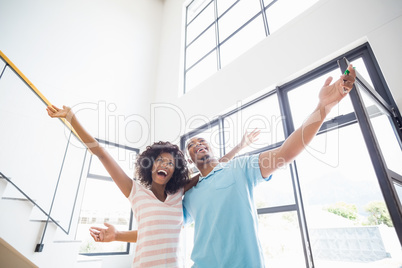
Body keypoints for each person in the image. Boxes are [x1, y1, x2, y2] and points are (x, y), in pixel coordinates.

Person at [182, 65, 356, 267]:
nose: (198, 145)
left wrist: (323, 108)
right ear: (189, 159)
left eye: (202, 141)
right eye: (191, 146)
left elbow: (285, 153)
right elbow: (163, 223)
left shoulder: (240, 167)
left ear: (211, 147)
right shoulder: (188, 195)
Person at [46, 105, 259, 267]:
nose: (164, 164)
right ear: (151, 166)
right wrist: (72, 119)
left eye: (170, 163)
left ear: (174, 172)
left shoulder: (177, 194)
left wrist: (240, 147)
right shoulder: (135, 192)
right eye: (160, 160)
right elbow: (101, 153)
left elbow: (213, 167)